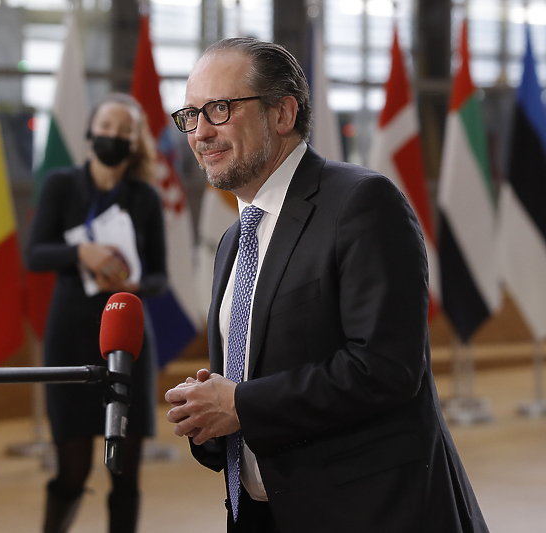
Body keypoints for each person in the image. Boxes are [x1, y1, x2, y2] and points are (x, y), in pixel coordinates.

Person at [164, 37, 489, 533]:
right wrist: (208, 419)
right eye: (190, 115)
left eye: (220, 109)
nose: (200, 132)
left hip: (370, 513)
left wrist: (239, 404)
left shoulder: (362, 202)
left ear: (283, 113)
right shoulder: (235, 237)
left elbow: (385, 368)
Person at [27, 92, 167, 533]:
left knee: (125, 472)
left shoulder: (145, 196)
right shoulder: (61, 185)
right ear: (90, 133)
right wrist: (80, 251)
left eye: (124, 131)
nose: (113, 136)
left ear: (136, 140)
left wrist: (134, 284)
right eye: (106, 126)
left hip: (127, 339)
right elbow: (34, 255)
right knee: (72, 471)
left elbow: (161, 277)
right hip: (70, 333)